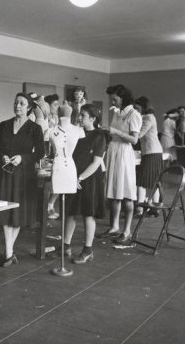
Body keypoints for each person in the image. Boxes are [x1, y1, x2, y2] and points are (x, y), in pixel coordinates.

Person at [0, 92, 44, 266]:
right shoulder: (4, 125)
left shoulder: (34, 128)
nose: (18, 106)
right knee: (7, 212)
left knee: (17, 215)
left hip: (24, 175)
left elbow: (40, 152)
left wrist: (23, 158)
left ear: (29, 107)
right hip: (7, 173)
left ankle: (8, 252)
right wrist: (2, 157)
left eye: (22, 103)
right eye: (16, 103)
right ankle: (9, 252)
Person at [59, 104, 108, 263]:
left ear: (93, 119)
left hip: (90, 178)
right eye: (79, 115)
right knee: (71, 212)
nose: (79, 118)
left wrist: (79, 178)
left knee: (88, 213)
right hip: (75, 177)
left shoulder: (99, 136)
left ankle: (88, 250)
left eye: (83, 116)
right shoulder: (76, 132)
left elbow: (96, 163)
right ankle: (65, 246)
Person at [97, 85, 142, 245]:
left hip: (124, 154)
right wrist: (107, 131)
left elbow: (135, 140)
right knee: (114, 191)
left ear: (124, 98)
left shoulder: (134, 114)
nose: (112, 101)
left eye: (115, 99)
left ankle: (127, 230)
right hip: (113, 151)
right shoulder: (117, 112)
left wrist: (116, 132)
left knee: (126, 193)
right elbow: (114, 132)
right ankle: (114, 227)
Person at [134, 96, 163, 216]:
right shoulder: (147, 117)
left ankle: (140, 209)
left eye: (137, 107)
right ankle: (154, 208)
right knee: (152, 181)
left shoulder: (148, 118)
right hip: (152, 152)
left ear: (143, 106)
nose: (136, 110)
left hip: (152, 152)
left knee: (142, 181)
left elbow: (138, 135)